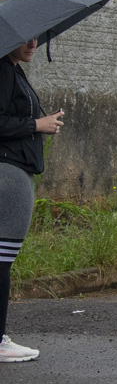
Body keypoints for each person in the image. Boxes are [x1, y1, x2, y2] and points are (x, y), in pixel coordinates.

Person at [0, 38, 64, 363]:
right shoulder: (3, 71)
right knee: (2, 258)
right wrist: (37, 124)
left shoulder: (13, 71)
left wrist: (42, 123)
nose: (34, 43)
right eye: (26, 38)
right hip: (8, 174)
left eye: (38, 37)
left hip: (14, 172)